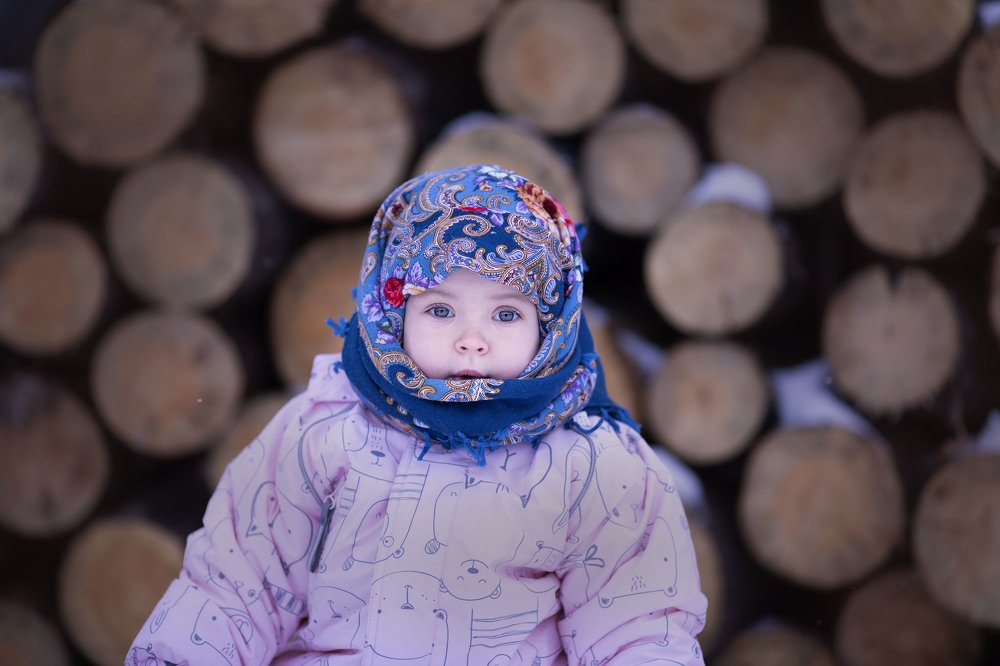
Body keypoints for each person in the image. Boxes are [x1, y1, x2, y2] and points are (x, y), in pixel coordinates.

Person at [127, 164, 707, 665]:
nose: (471, 341)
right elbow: (237, 585)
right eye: (440, 310)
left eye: (506, 315)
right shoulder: (323, 432)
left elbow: (636, 622)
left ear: (552, 325)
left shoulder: (594, 467)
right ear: (390, 311)